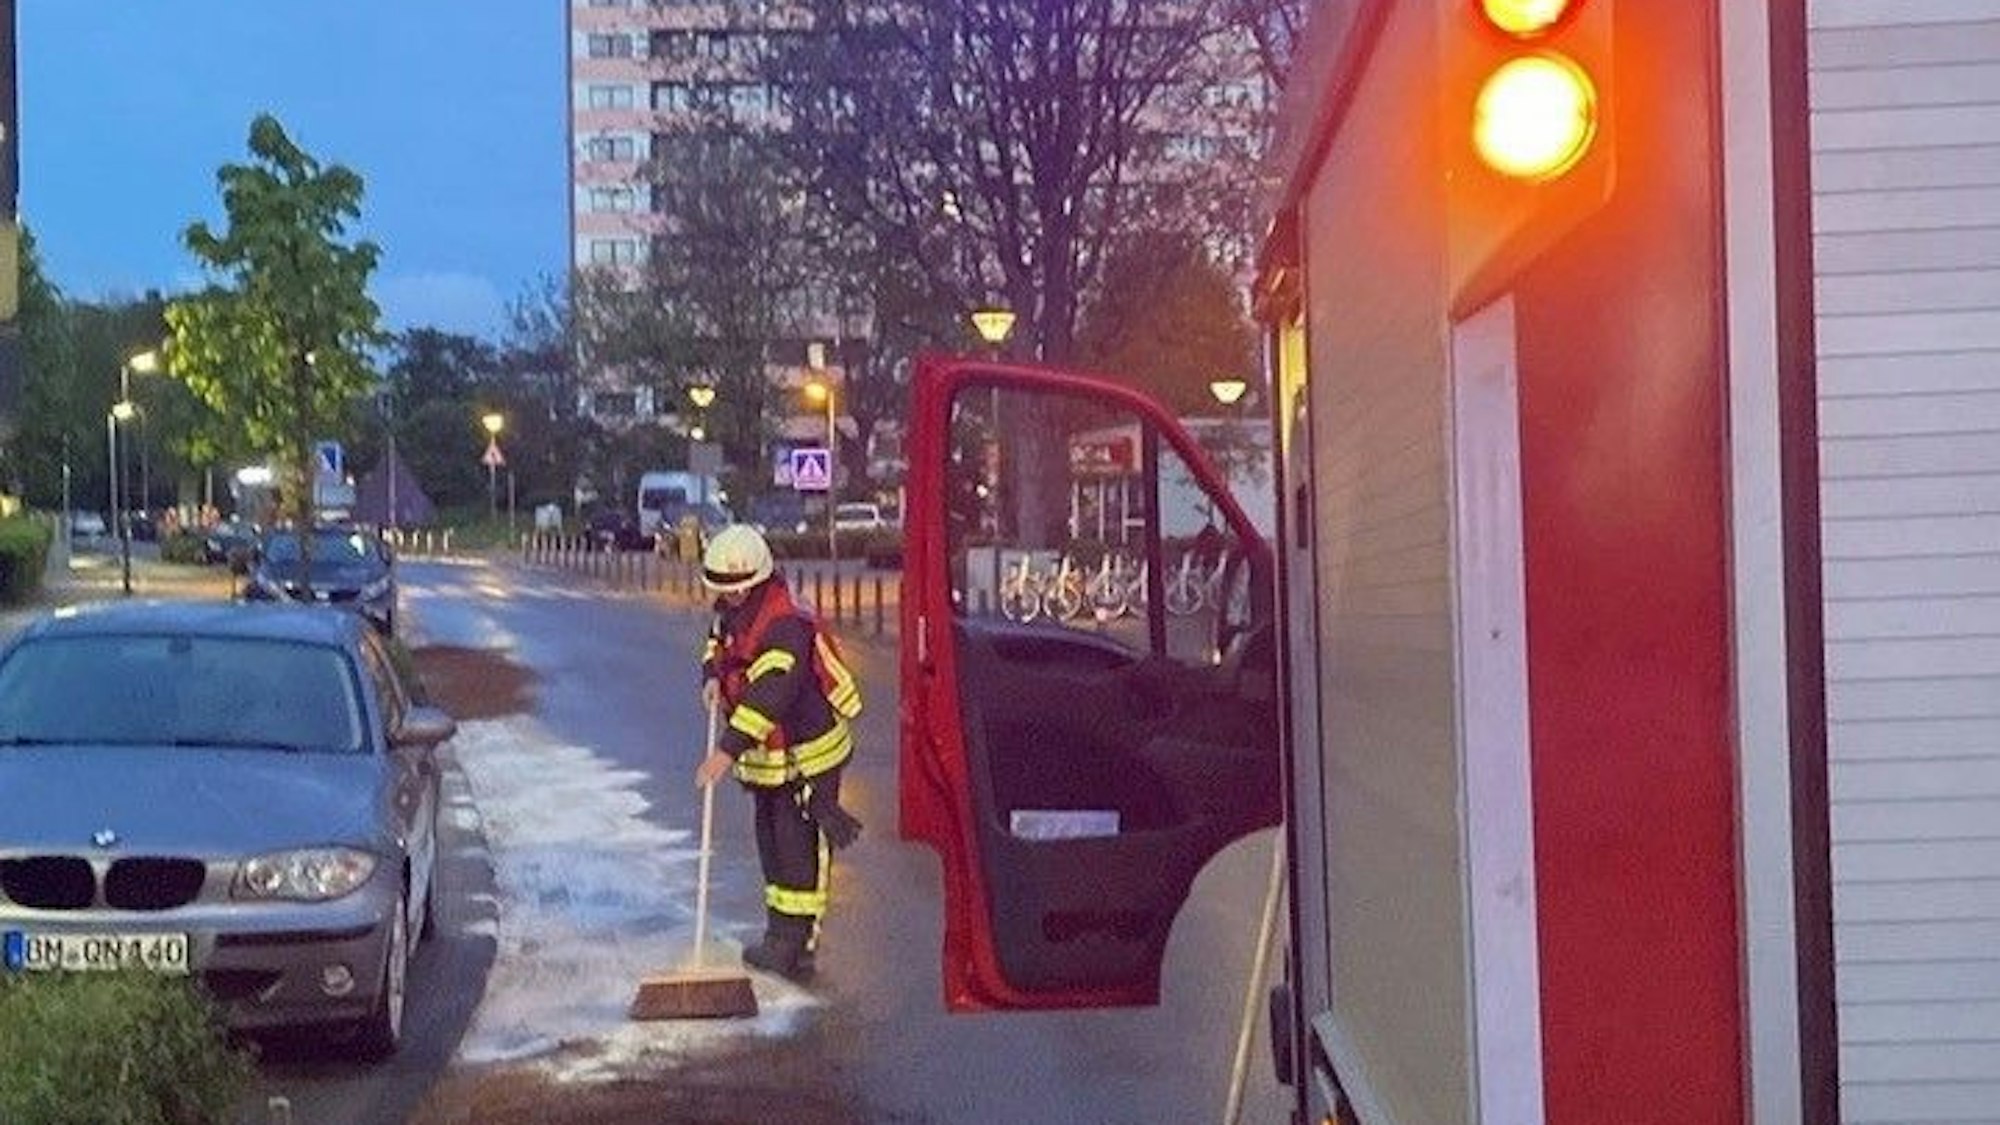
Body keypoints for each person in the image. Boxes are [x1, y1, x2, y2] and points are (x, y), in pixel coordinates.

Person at [694, 524, 864, 981]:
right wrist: (711, 675)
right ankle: (778, 934)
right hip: (771, 761)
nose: (728, 598)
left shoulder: (784, 624)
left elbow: (770, 697)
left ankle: (797, 945)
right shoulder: (735, 610)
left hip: (807, 758)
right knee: (771, 842)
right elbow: (718, 642)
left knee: (797, 847)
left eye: (736, 590)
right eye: (723, 591)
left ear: (756, 581)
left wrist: (725, 753)